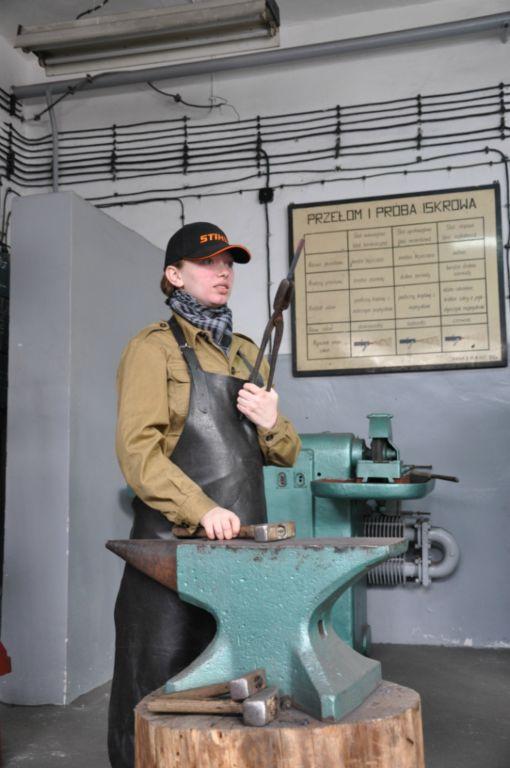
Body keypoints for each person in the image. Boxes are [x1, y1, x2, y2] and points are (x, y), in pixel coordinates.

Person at [108, 221, 301, 768]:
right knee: (156, 692)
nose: (223, 272)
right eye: (208, 263)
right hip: (170, 553)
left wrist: (272, 422)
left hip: (241, 555)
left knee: (237, 695)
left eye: (228, 264)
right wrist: (202, 509)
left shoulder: (245, 353)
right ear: (174, 275)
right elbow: (138, 452)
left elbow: (286, 452)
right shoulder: (154, 349)